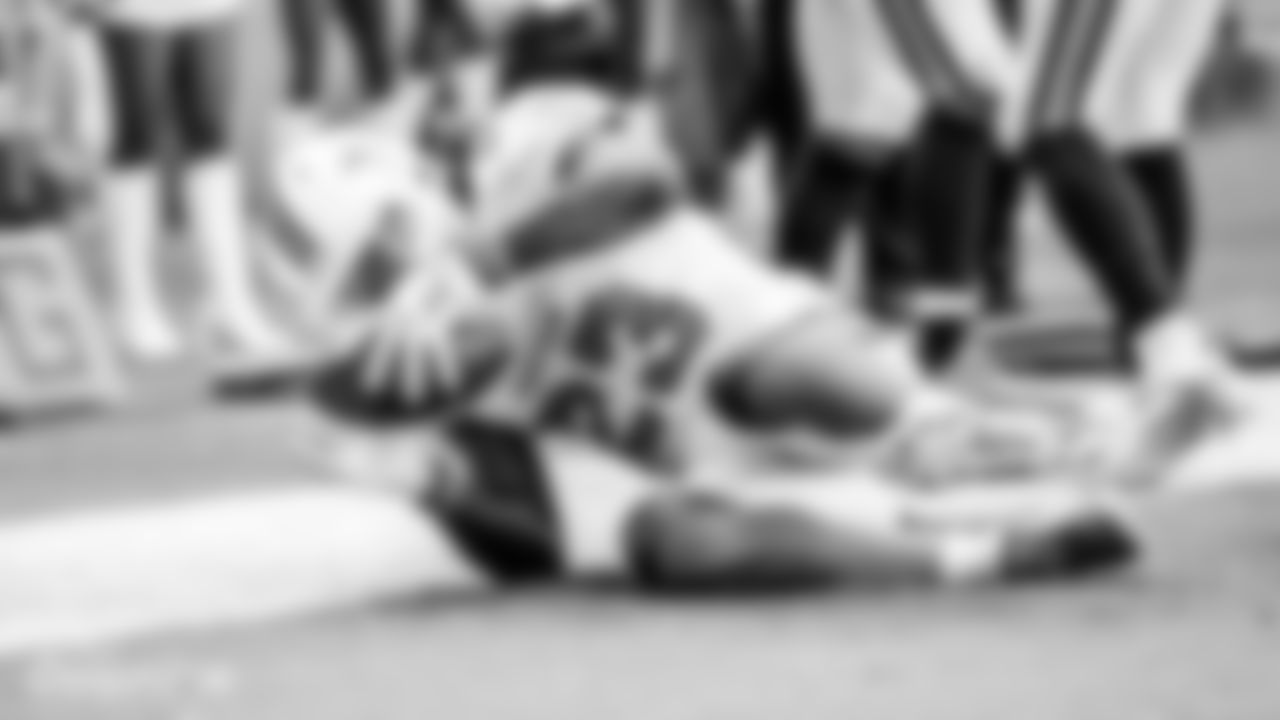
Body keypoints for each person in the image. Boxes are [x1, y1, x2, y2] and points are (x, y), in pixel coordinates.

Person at [58, 0, 293, 363]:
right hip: (128, 12)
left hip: (206, 9)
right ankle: (134, 304)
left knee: (212, 140)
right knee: (133, 141)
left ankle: (230, 301)